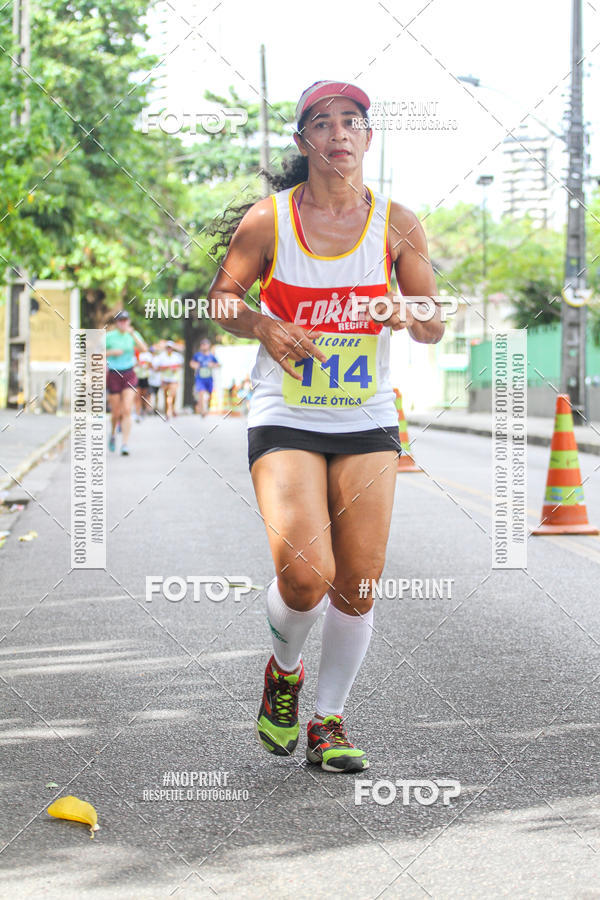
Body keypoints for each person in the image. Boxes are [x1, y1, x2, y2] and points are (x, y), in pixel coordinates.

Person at [208, 80, 444, 772]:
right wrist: (263, 324)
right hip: (286, 413)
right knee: (308, 573)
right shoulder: (270, 220)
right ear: (303, 141)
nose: (339, 133)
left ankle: (329, 722)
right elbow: (222, 298)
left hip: (366, 416)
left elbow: (432, 321)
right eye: (322, 123)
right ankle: (284, 673)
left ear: (368, 138)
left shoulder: (398, 223)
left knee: (359, 580)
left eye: (352, 122)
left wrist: (407, 313)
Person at [105, 310, 147, 455]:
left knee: (127, 410)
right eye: (120, 321)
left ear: (128, 322)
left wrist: (133, 334)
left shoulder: (132, 336)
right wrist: (111, 353)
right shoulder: (109, 337)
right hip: (114, 374)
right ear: (116, 323)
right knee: (116, 412)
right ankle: (112, 434)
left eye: (125, 320)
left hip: (129, 373)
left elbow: (144, 349)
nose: (123, 323)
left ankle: (124, 444)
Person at [190, 337, 220, 416]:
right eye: (202, 344)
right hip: (200, 378)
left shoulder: (211, 356)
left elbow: (218, 364)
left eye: (205, 344)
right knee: (201, 393)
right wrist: (195, 365)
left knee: (210, 394)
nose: (204, 346)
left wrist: (212, 365)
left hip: (209, 378)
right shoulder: (197, 355)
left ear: (208, 346)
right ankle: (202, 411)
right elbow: (191, 363)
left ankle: (208, 406)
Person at [154, 340, 184, 419]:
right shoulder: (161, 356)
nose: (169, 349)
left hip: (174, 379)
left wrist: (175, 368)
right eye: (167, 348)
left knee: (173, 395)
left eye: (170, 348)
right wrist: (165, 368)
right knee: (166, 396)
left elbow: (180, 366)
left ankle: (172, 408)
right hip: (165, 379)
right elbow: (156, 368)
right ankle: (168, 411)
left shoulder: (177, 356)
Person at [134, 346, 154, 419]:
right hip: (137, 377)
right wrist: (137, 364)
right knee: (137, 396)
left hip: (145, 377)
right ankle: (138, 412)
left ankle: (144, 409)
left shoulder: (148, 355)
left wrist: (146, 364)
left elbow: (152, 366)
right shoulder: (134, 354)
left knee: (144, 395)